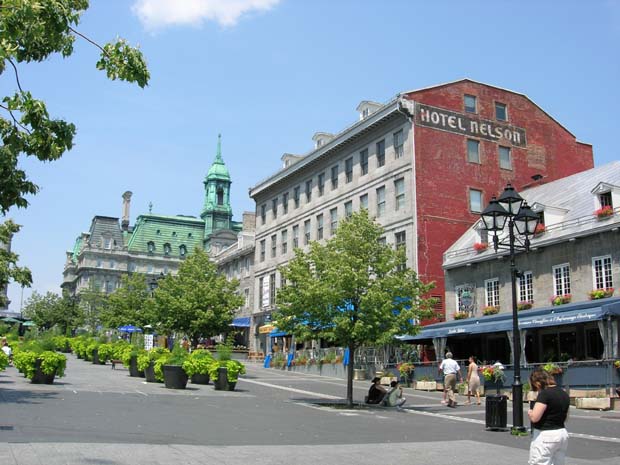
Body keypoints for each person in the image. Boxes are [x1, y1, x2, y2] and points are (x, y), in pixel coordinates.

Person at [528, 369, 570, 465]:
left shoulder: (545, 394)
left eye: (535, 387)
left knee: (539, 462)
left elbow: (535, 417)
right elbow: (566, 416)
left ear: (538, 383)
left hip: (545, 435)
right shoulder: (564, 393)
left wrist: (530, 412)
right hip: (561, 433)